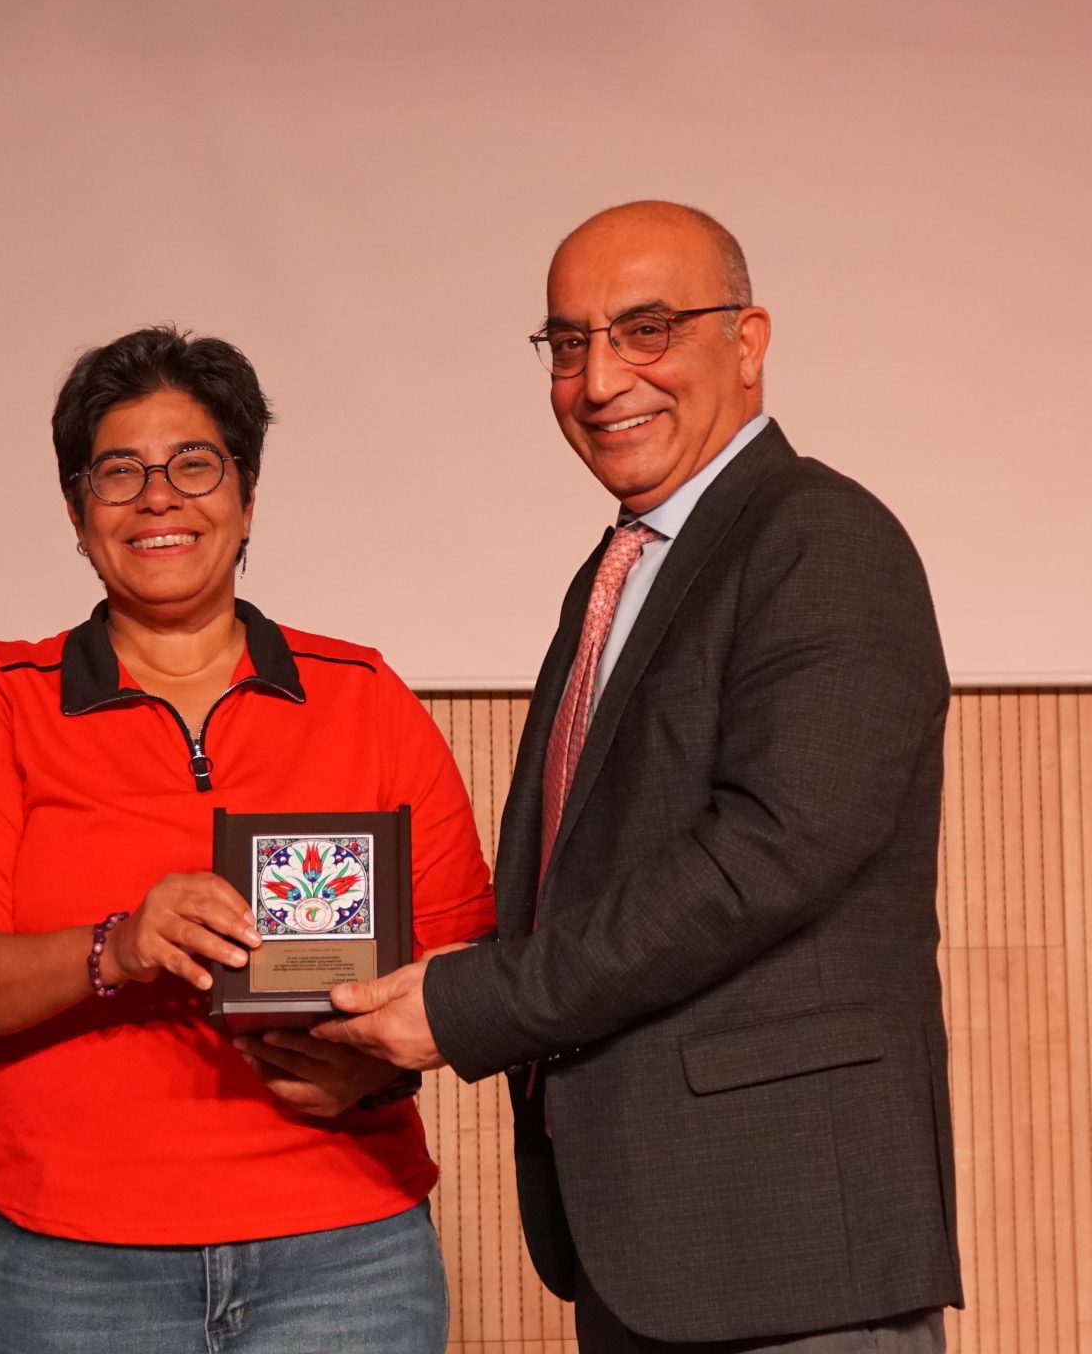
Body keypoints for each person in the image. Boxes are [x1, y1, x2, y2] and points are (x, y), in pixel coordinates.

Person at [321, 203, 961, 1351]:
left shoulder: (821, 536)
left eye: (646, 330)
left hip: (787, 1246)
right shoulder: (623, 567)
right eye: (568, 344)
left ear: (748, 341)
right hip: (651, 1234)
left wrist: (468, 1006)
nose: (601, 378)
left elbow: (766, 858)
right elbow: (590, 882)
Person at [0, 326, 495, 1354]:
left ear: (246, 498)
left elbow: (467, 958)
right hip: (77, 1269)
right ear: (78, 513)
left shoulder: (363, 696)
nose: (157, 499)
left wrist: (377, 1075)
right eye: (118, 472)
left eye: (194, 465)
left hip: (348, 1257)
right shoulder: (2, 700)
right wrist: (117, 947)